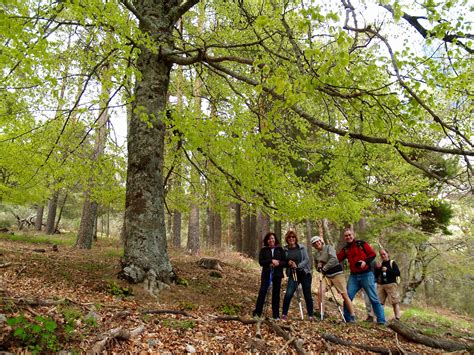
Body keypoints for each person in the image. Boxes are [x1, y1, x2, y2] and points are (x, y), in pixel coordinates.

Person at [337, 228, 386, 325]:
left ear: (353, 235)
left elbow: (373, 254)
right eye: (346, 235)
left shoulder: (361, 244)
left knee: (373, 298)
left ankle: (381, 321)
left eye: (350, 235)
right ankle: (347, 319)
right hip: (353, 277)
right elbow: (337, 259)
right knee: (348, 297)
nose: (348, 237)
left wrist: (365, 262)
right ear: (344, 237)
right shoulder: (345, 249)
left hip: (366, 275)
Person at [311, 236, 356, 322]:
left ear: (321, 241)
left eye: (317, 241)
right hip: (326, 276)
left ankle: (352, 316)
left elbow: (334, 259)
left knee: (344, 295)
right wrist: (319, 266)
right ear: (313, 246)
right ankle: (322, 314)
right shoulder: (316, 255)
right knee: (320, 292)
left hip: (337, 274)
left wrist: (324, 267)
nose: (317, 244)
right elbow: (317, 268)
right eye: (314, 243)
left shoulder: (329, 247)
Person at [281, 230, 314, 320]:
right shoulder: (285, 249)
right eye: (289, 237)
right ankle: (284, 314)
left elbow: (307, 260)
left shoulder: (302, 247)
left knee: (307, 295)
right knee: (288, 294)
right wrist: (288, 262)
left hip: (304, 273)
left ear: (295, 238)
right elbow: (283, 262)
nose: (291, 238)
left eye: (293, 237)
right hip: (293, 274)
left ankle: (311, 315)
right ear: (287, 239)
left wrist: (297, 265)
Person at [253, 232, 286, 319]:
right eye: (269, 238)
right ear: (267, 241)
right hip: (266, 274)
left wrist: (278, 263)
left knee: (276, 294)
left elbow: (284, 261)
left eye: (273, 238)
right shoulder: (264, 250)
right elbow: (261, 262)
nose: (271, 240)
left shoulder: (280, 249)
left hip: (277, 274)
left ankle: (276, 315)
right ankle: (257, 313)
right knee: (263, 292)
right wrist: (271, 261)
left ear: (275, 239)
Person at [374, 249, 401, 320]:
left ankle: (397, 318)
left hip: (391, 285)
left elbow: (397, 273)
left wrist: (387, 270)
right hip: (381, 285)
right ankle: (380, 319)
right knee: (379, 302)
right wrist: (377, 268)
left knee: (395, 302)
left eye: (384, 254)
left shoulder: (392, 263)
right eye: (381, 255)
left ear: (387, 254)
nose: (383, 256)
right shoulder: (381, 264)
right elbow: (376, 275)